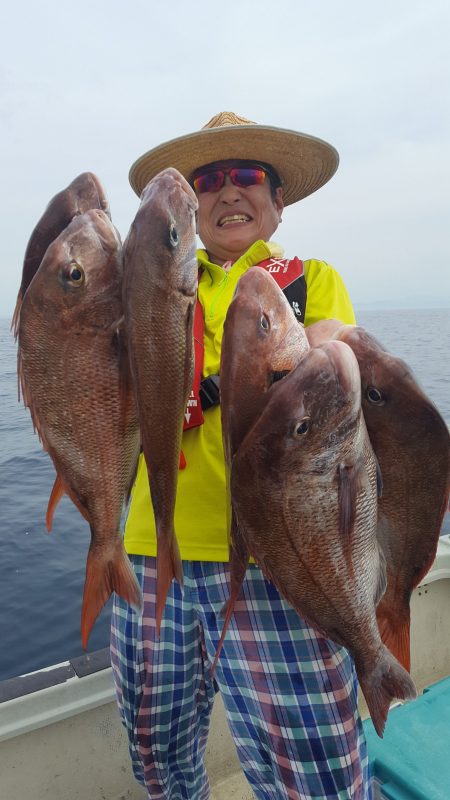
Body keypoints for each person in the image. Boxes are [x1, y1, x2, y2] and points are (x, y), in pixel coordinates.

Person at [110, 111, 370, 800]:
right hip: (146, 554)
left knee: (315, 776)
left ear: (278, 205)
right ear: (189, 209)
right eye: (211, 179)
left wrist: (337, 354)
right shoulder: (147, 278)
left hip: (275, 561)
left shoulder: (312, 281)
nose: (230, 191)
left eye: (250, 177)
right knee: (157, 756)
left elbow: (342, 375)